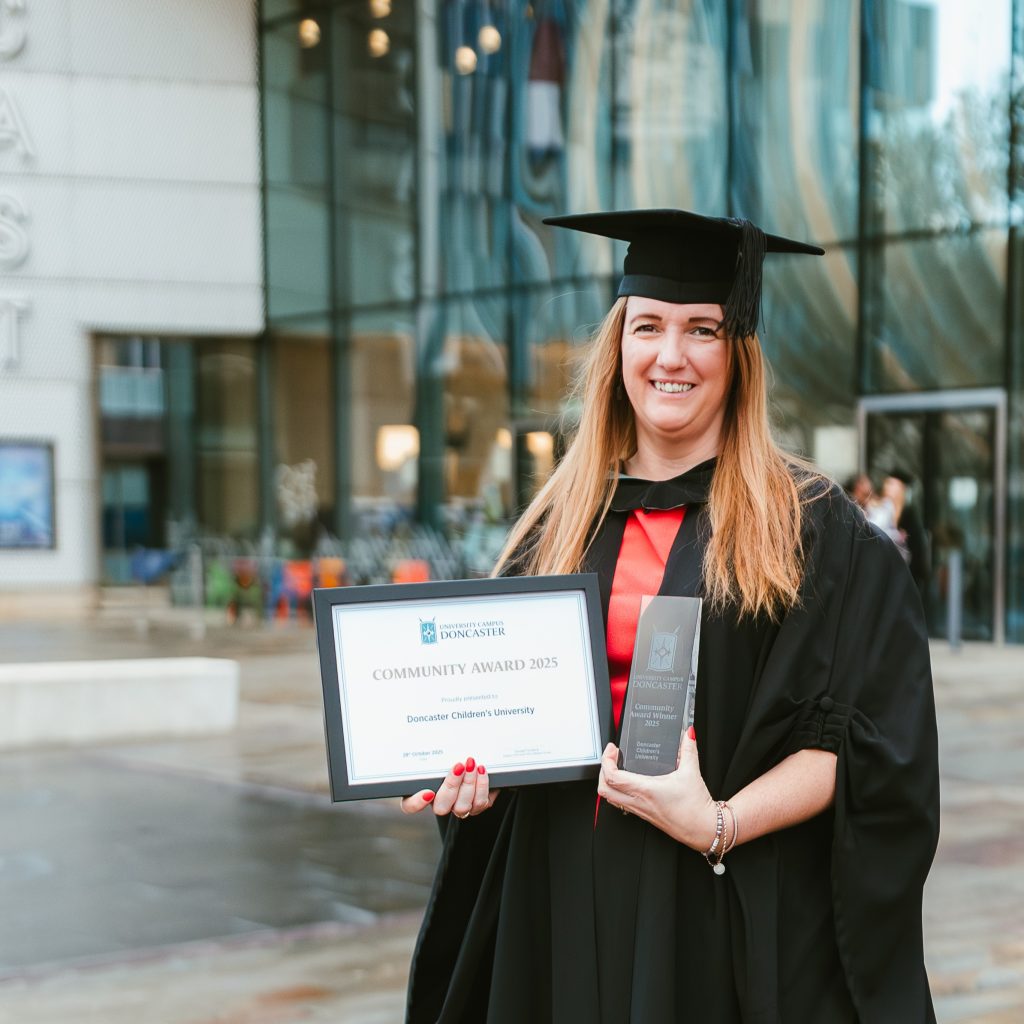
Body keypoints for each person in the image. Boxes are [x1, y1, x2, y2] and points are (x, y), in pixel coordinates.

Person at [400, 209, 940, 1022]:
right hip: (556, 896)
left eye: (703, 330)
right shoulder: (559, 524)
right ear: (619, 345)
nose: (671, 355)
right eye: (648, 325)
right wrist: (469, 779)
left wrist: (716, 823)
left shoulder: (811, 528)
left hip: (709, 910)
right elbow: (497, 716)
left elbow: (861, 744)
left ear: (739, 353)